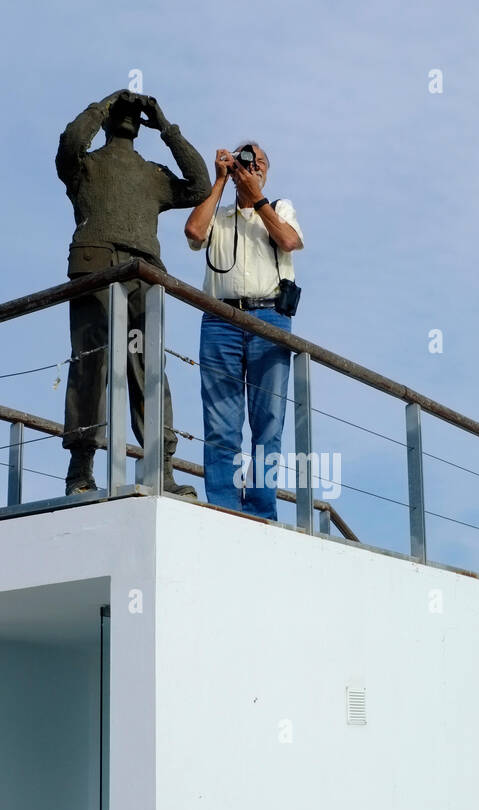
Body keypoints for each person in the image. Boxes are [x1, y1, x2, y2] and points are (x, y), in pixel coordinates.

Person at [56, 88, 211, 495]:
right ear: (107, 120)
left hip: (143, 279)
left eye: (131, 112)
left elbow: (200, 186)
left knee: (147, 370)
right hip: (96, 269)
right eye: (118, 112)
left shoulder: (153, 175)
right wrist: (103, 103)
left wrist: (165, 125)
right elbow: (72, 140)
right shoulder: (84, 167)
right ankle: (81, 469)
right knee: (92, 364)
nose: (125, 115)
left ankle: (159, 469)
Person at [184, 143, 303, 519]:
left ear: (266, 172)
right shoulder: (218, 214)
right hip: (220, 318)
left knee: (268, 422)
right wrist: (220, 181)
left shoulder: (280, 208)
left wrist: (258, 199)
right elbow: (193, 231)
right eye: (244, 161)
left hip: (270, 318)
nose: (252, 167)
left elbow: (288, 241)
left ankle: (261, 510)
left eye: (259, 163)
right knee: (221, 422)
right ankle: (223, 507)